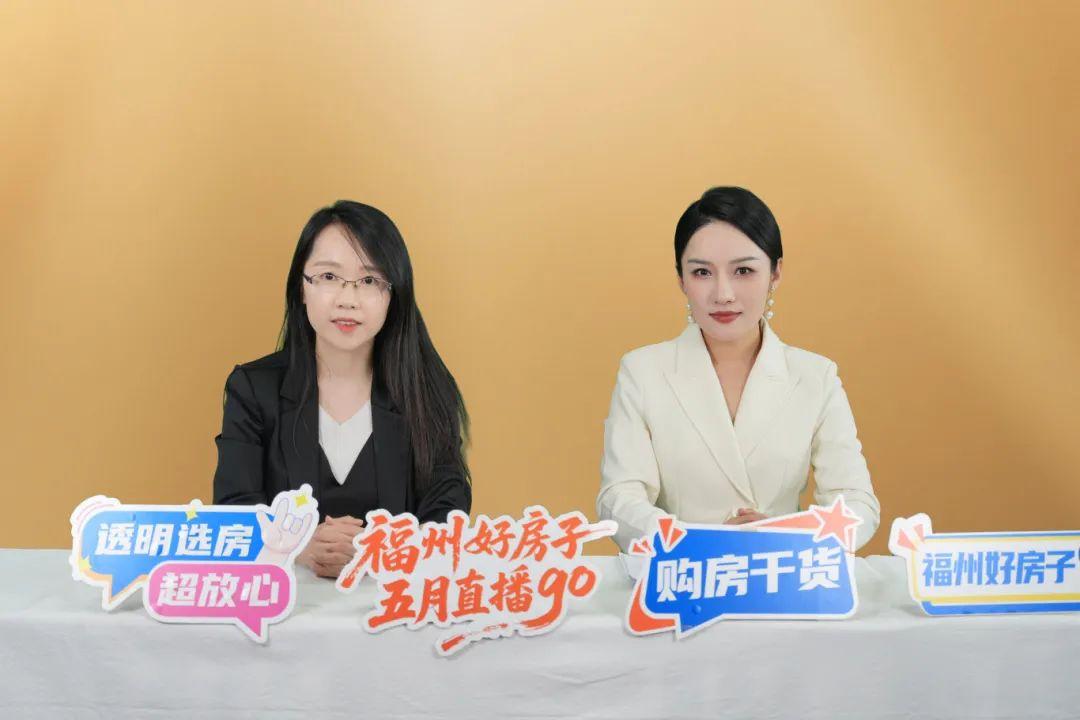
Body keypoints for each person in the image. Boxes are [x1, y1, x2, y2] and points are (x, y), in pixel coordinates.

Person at [598, 186, 880, 552]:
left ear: (775, 273)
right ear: (681, 278)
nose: (723, 294)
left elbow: (856, 502)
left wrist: (784, 536)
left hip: (781, 572)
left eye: (744, 270)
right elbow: (618, 497)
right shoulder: (643, 372)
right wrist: (700, 542)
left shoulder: (815, 377)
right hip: (683, 572)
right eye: (702, 272)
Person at [213, 200, 471, 577]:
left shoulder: (427, 391)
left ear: (393, 295)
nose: (348, 300)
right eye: (329, 277)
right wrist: (297, 546)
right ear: (301, 288)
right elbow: (233, 509)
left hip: (391, 602)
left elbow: (447, 518)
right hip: (284, 601)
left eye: (369, 281)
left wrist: (379, 549)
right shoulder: (253, 389)